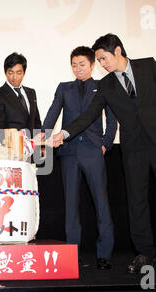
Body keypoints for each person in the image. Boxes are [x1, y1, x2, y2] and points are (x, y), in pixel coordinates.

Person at [49, 34, 156, 275]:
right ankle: (144, 254)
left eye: (103, 58)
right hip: (133, 149)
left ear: (117, 51)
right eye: (98, 60)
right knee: (136, 202)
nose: (102, 63)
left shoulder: (148, 66)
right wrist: (64, 133)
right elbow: (88, 116)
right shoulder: (106, 85)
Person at [42, 46, 117, 270]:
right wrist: (42, 141)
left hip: (94, 151)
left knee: (101, 203)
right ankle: (72, 253)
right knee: (71, 205)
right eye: (74, 64)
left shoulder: (103, 87)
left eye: (82, 64)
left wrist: (105, 145)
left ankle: (104, 254)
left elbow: (112, 120)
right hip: (69, 152)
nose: (78, 68)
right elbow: (52, 114)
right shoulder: (64, 88)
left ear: (92, 65)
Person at [0, 52, 42, 142]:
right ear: (5, 72)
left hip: (33, 148)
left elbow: (36, 122)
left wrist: (41, 146)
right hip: (12, 149)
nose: (14, 77)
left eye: (18, 73)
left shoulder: (31, 93)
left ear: (24, 73)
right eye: (11, 72)